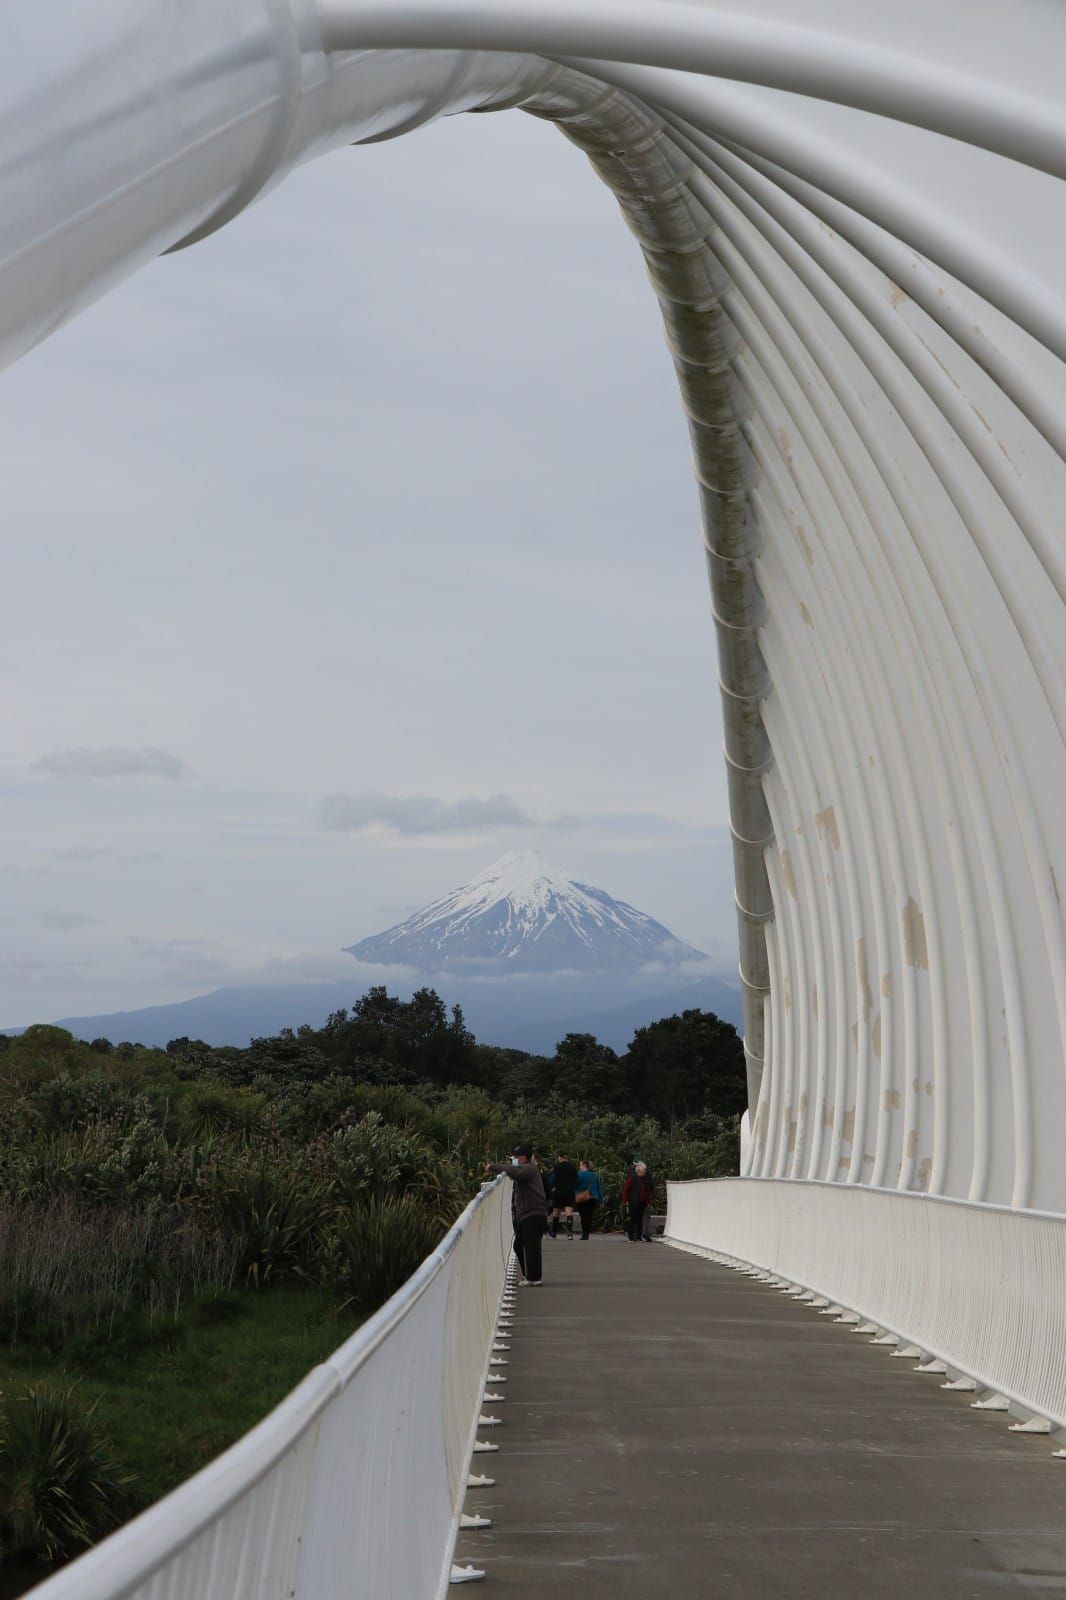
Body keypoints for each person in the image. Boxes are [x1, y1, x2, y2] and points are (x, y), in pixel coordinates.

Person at [486, 1145, 549, 1285]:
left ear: (523, 1157)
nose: (514, 1159)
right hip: (530, 1213)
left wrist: (494, 1166)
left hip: (533, 1213)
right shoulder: (529, 1168)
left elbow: (516, 1174)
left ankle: (533, 1278)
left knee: (530, 1246)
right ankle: (530, 1275)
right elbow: (514, 1172)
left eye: (516, 1156)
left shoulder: (529, 1169)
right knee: (520, 1244)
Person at [547, 1151, 579, 1239]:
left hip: (559, 1191)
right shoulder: (573, 1167)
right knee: (569, 1212)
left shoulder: (557, 1166)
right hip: (569, 1191)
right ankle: (569, 1233)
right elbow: (576, 1180)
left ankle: (553, 1232)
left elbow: (553, 1179)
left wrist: (550, 1187)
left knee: (556, 1211)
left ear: (560, 1157)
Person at [621, 1160, 654, 1243]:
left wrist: (649, 1202)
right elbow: (625, 1190)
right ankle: (631, 1237)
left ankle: (639, 1237)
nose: (645, 1171)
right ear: (639, 1170)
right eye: (644, 1170)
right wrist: (625, 1201)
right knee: (633, 1219)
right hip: (633, 1202)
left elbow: (648, 1192)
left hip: (642, 1203)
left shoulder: (645, 1179)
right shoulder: (632, 1179)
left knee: (640, 1220)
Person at [574, 1157, 603, 1240]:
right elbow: (598, 1188)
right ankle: (587, 1232)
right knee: (589, 1215)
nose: (579, 1167)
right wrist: (600, 1200)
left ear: (584, 1165)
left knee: (583, 1216)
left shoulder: (578, 1175)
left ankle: (584, 1233)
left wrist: (575, 1194)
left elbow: (574, 1186)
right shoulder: (595, 1175)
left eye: (580, 1165)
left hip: (582, 1198)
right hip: (593, 1198)